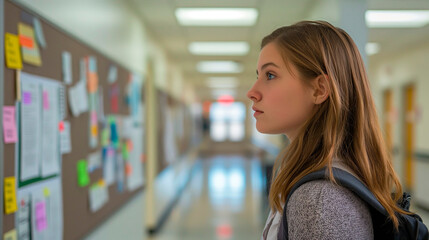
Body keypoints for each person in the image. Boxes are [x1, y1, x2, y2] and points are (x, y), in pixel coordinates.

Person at [247, 21, 409, 239]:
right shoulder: (317, 183)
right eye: (258, 75)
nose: (252, 92)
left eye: (270, 75)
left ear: (319, 89)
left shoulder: (318, 200)